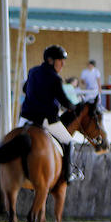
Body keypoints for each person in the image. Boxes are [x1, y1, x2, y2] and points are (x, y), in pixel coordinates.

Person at [19, 44, 79, 182]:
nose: (63, 64)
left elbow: (24, 88)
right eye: (60, 60)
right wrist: (73, 107)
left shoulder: (32, 71)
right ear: (51, 61)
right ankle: (68, 174)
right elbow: (63, 100)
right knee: (69, 142)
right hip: (45, 120)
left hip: (25, 118)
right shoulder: (55, 78)